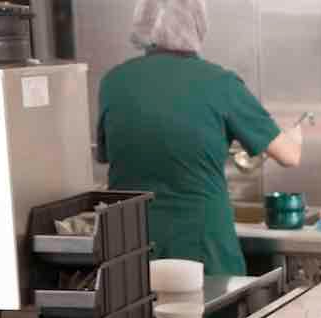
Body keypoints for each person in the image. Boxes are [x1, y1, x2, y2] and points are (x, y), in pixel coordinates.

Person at [98, 0, 303, 276]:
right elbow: (289, 156)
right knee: (208, 317)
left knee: (134, 316)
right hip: (201, 246)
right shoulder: (221, 84)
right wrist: (295, 135)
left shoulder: (114, 81)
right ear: (197, 24)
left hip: (129, 246)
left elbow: (107, 156)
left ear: (144, 23)